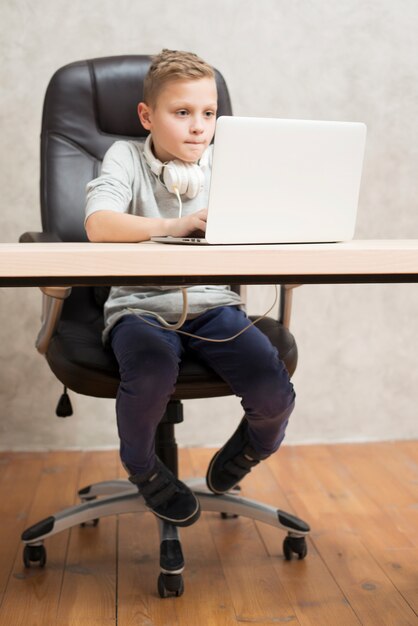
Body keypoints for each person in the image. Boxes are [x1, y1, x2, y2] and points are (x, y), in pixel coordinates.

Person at [85, 49, 295, 528]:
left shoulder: (225, 162)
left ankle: (250, 448)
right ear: (147, 116)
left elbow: (268, 219)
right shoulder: (124, 157)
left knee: (272, 386)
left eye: (208, 114)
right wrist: (178, 225)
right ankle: (142, 468)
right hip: (140, 308)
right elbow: (99, 224)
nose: (199, 127)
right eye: (182, 113)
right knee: (152, 371)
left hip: (213, 303)